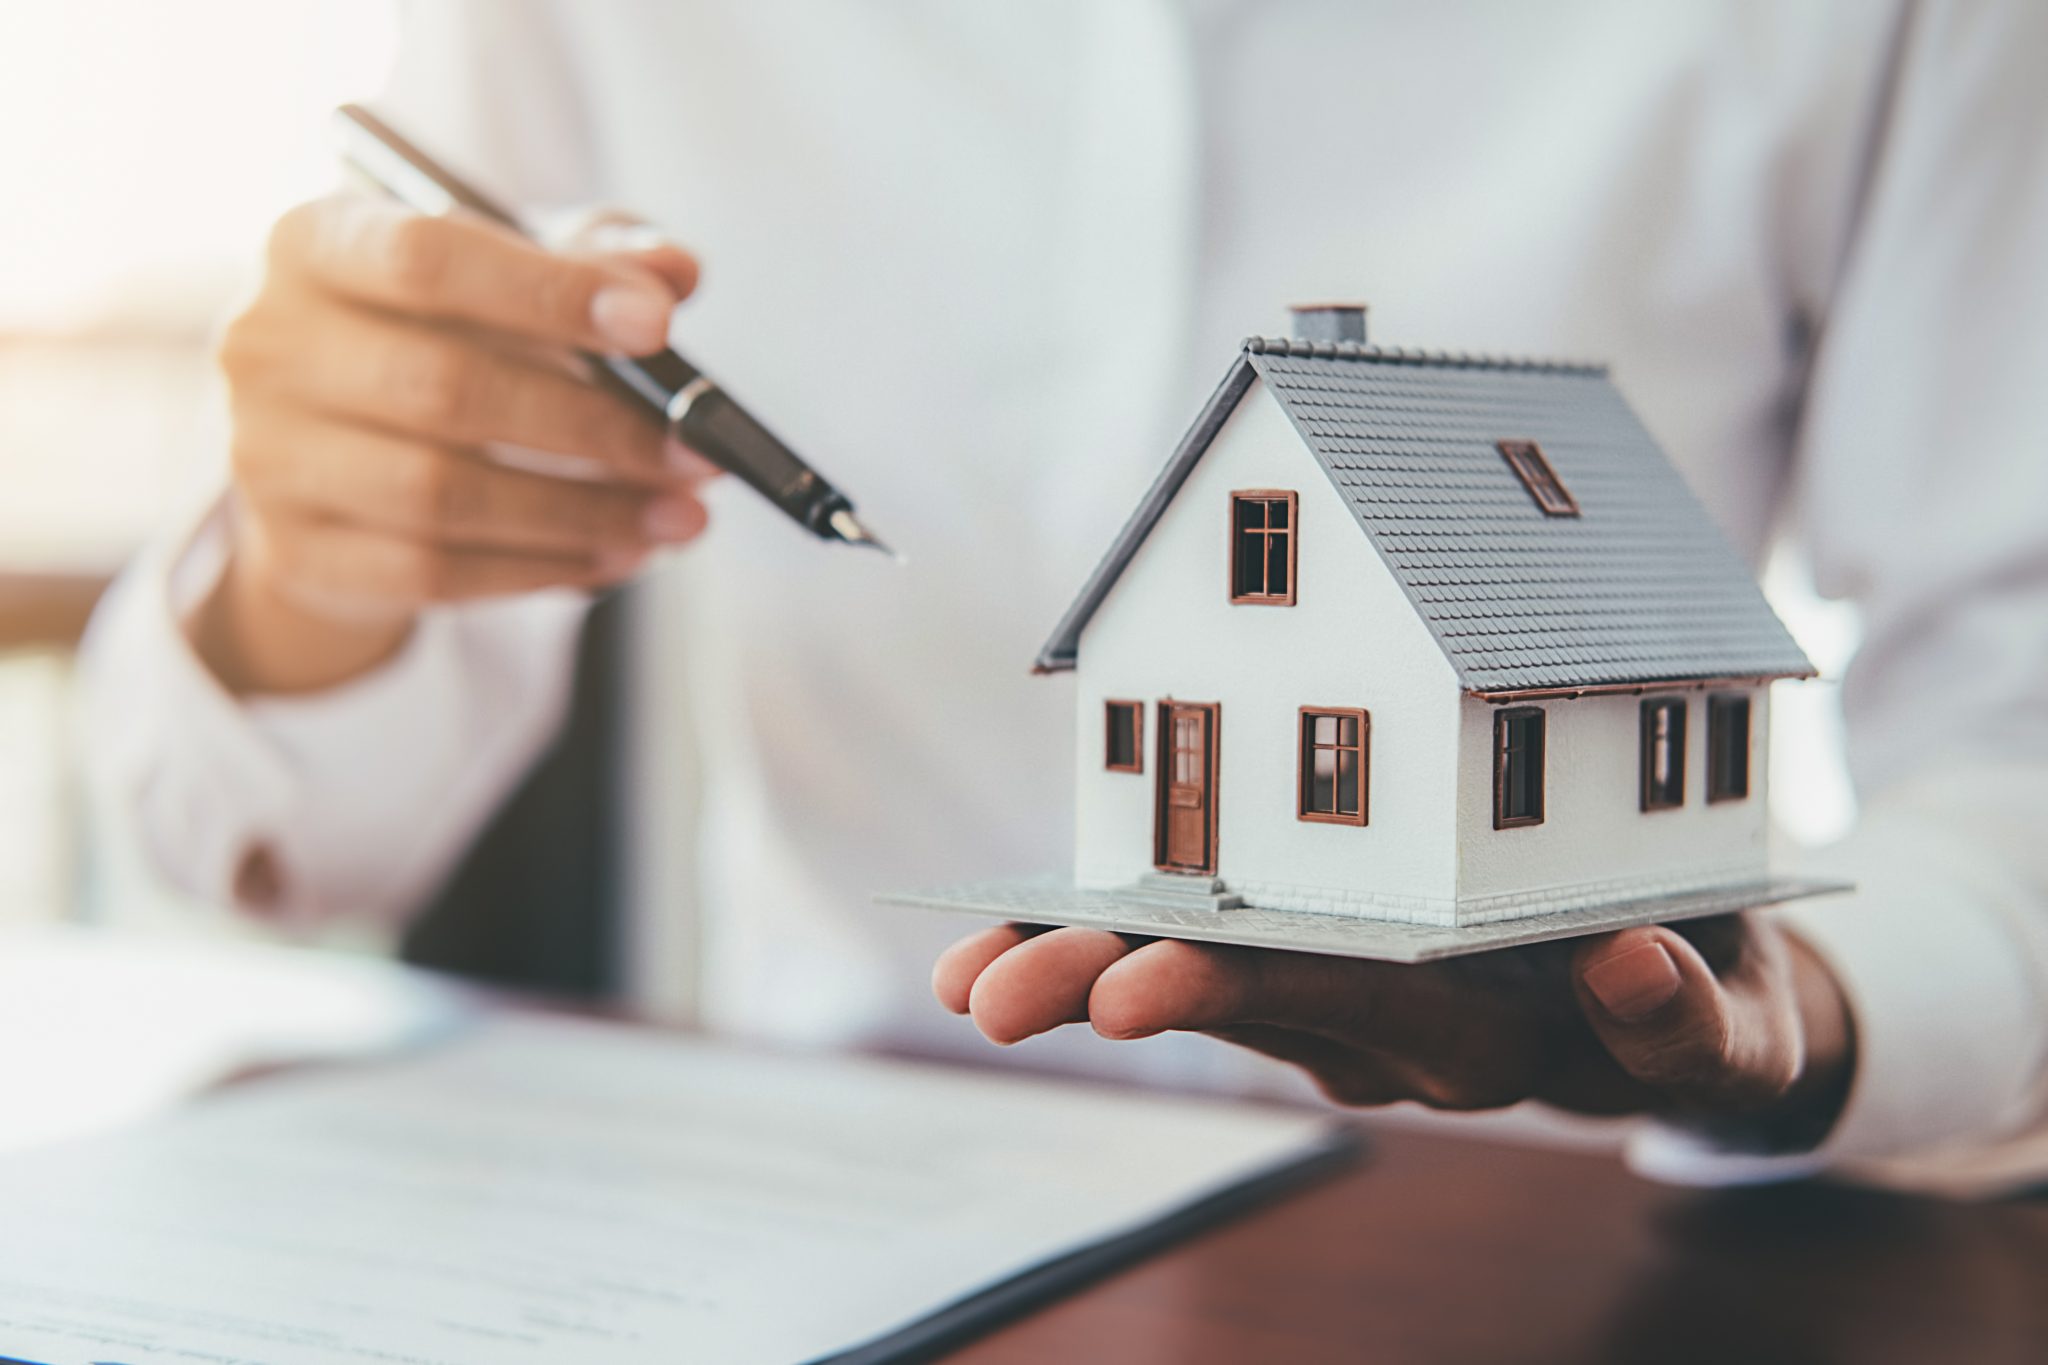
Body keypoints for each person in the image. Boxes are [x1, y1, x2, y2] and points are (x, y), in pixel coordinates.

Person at [81, 0, 2048, 1192]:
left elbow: (2015, 694)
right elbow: (270, 841)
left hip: (1575, 1228)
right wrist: (319, 554)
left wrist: (1814, 1005)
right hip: (826, 1201)